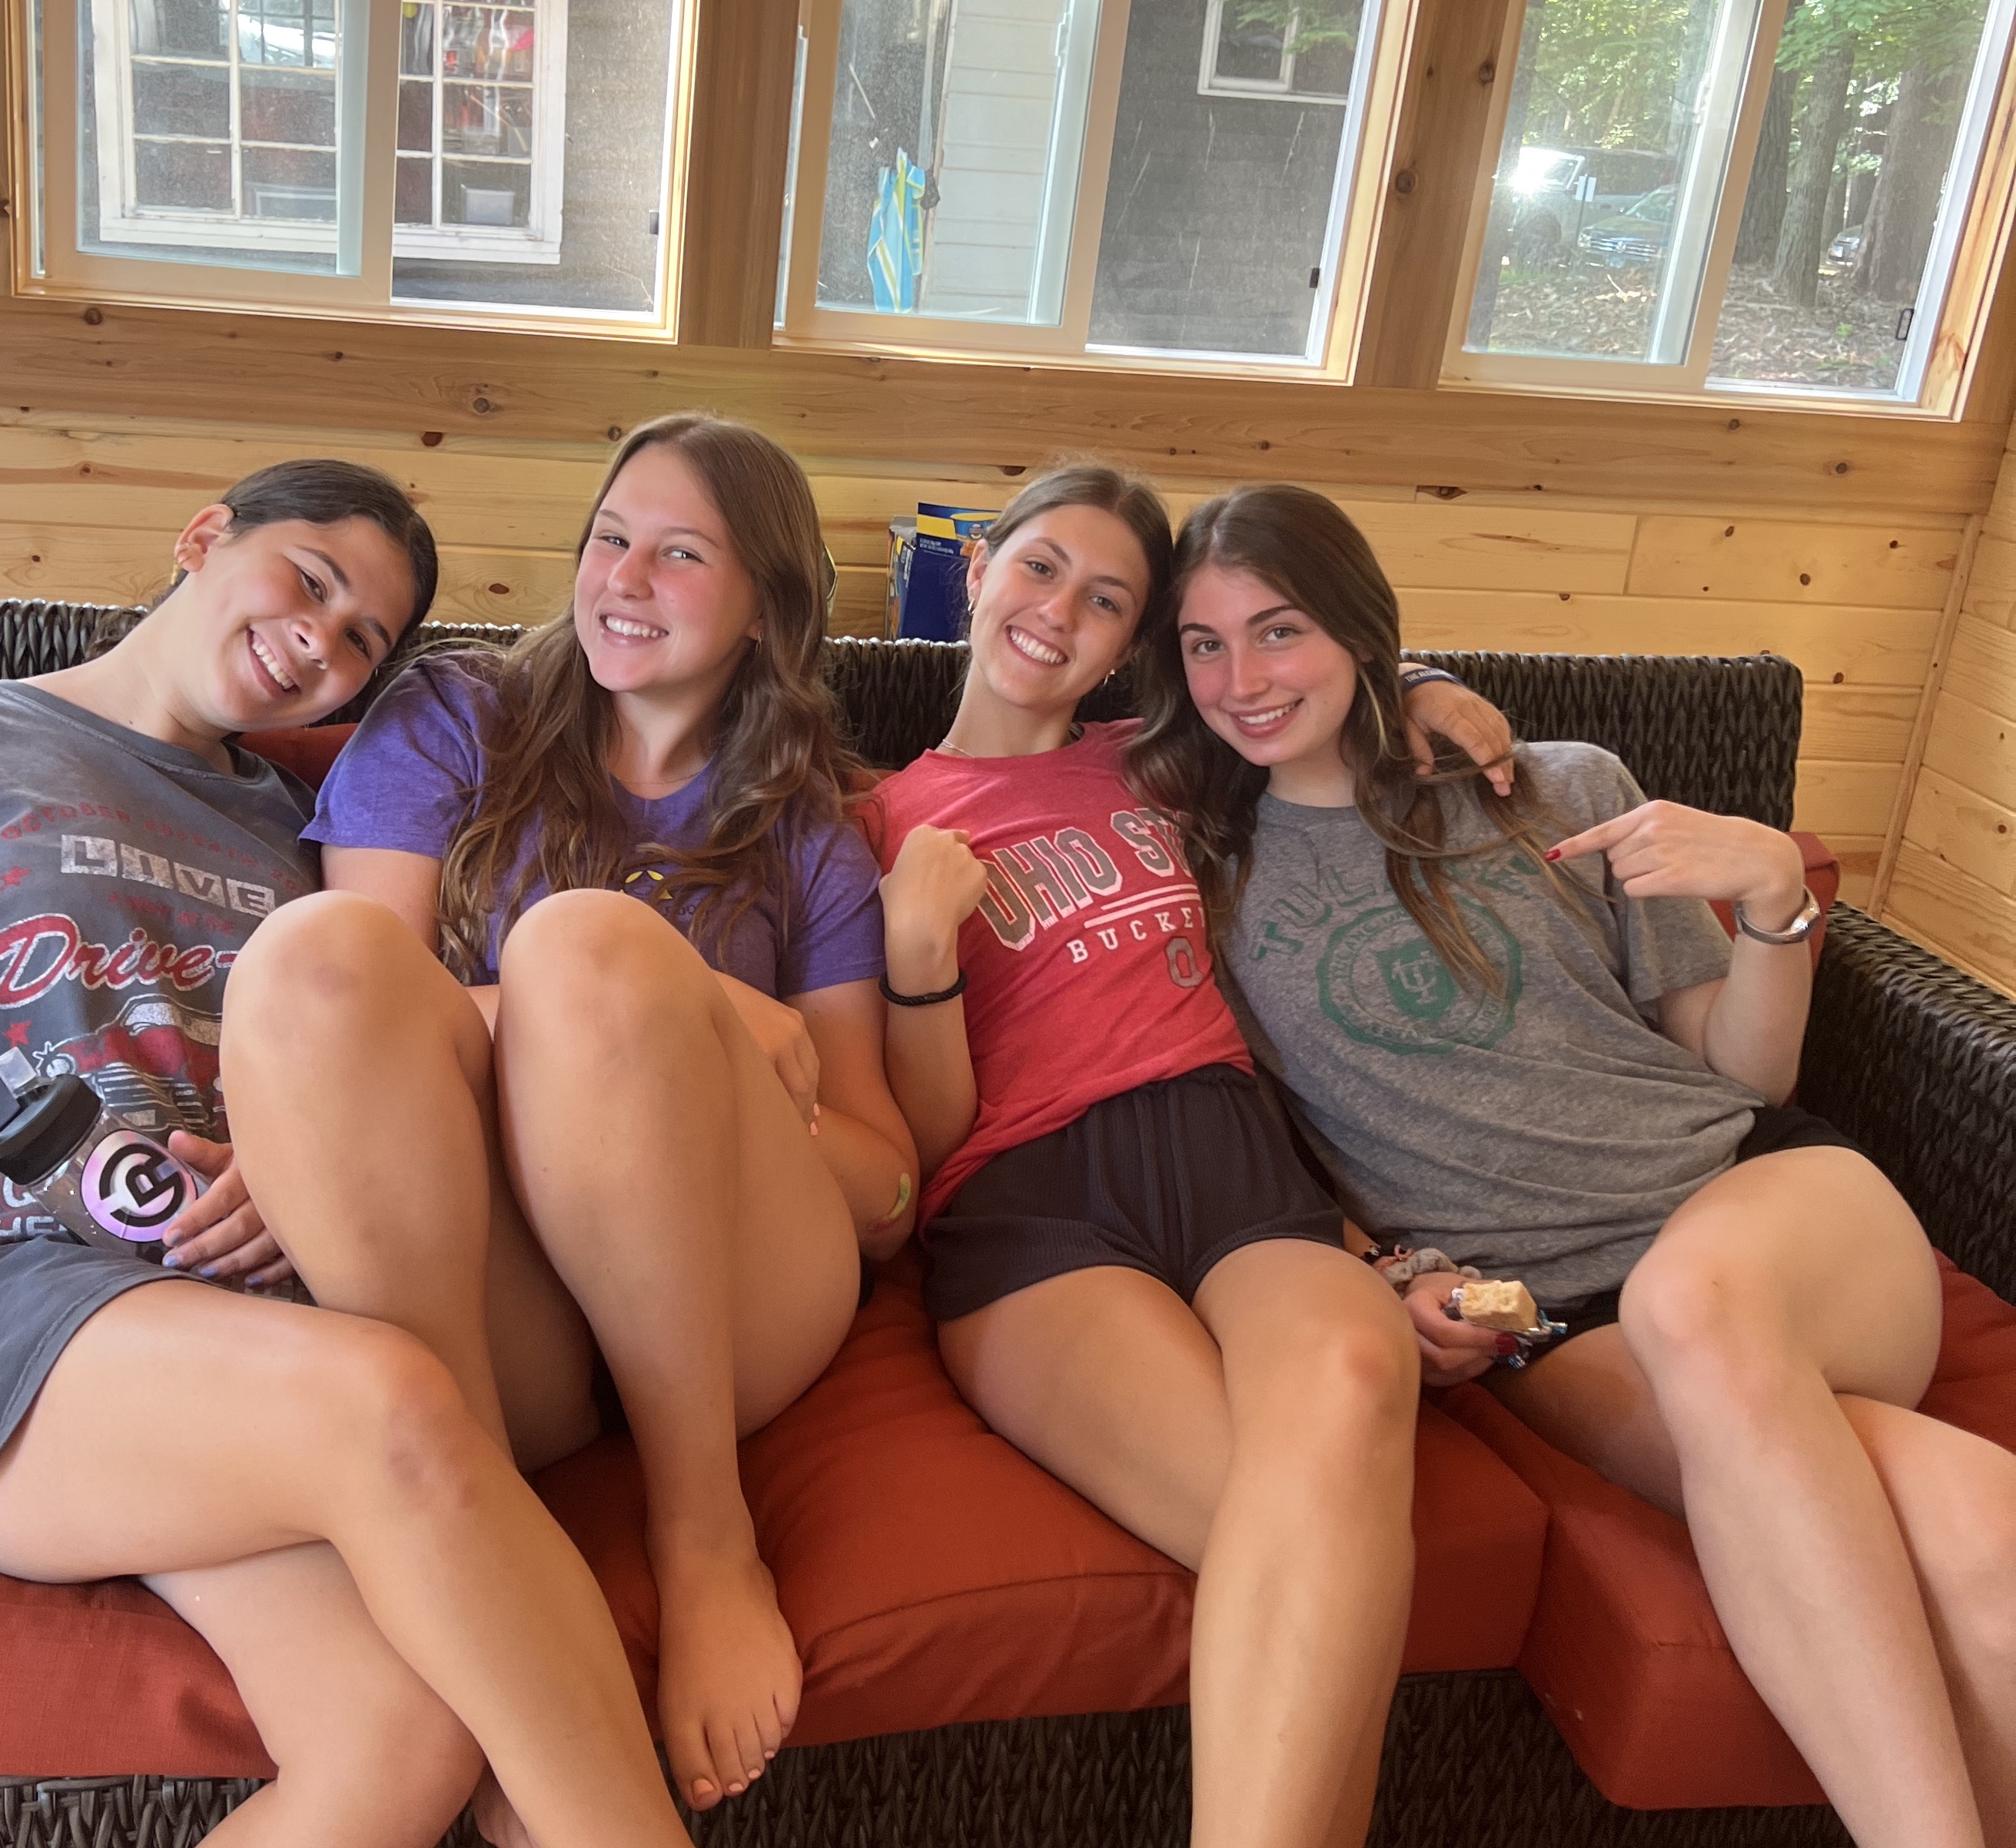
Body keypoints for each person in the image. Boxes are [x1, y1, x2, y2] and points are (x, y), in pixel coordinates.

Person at [0, 461, 695, 1848]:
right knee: (392, 1399)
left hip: (250, 1318)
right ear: (204, 536)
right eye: (311, 579)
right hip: (0, 1303)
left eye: (361, 637)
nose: (321, 639)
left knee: (402, 1740)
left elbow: (385, 1061)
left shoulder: (304, 833)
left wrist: (305, 1165)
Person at [1147, 480, 2016, 1848]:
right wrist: (1391, 1271)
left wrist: (1773, 897)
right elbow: (1267, 1142)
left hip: (1764, 1206)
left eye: (1280, 629)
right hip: (1557, 1324)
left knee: (1695, 1302)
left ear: (1361, 630)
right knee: (1979, 1545)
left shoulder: (1558, 785)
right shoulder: (1200, 875)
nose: (1242, 679)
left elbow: (1744, 1075)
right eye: (1205, 644)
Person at [228, 413, 918, 1814]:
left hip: (732, 1300)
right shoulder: (453, 716)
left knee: (585, 943)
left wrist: (704, 1066)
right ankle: (490, 1572)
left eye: (681, 553)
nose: (624, 577)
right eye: (611, 537)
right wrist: (694, 998)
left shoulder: (808, 834)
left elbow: (886, 1188)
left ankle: (704, 1538)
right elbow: (365, 1033)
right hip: (498, 1310)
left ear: (766, 606)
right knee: (315, 958)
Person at [862, 462, 1514, 1847]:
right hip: (1028, 1201)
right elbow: (919, 1145)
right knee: (1305, 1545)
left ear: (1129, 645)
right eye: (1040, 567)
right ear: (978, 567)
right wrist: (915, 954)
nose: (1058, 614)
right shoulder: (873, 818)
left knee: (1357, 1370)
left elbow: (1297, 691)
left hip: (1230, 1154)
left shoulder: (1157, 758)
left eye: (1107, 601)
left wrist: (1425, 685)